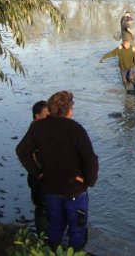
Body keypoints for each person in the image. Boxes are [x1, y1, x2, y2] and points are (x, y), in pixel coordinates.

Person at [16, 91, 99, 252]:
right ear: (68, 110)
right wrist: (89, 181)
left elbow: (22, 151)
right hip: (74, 189)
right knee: (77, 229)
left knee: (54, 226)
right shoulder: (76, 129)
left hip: (50, 188)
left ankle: (52, 252)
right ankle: (74, 253)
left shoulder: (38, 128)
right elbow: (90, 160)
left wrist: (38, 173)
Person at [25, 100, 49, 235]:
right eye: (46, 114)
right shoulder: (35, 132)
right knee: (42, 209)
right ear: (37, 116)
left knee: (44, 208)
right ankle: (43, 239)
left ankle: (45, 237)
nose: (49, 117)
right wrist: (38, 173)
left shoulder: (39, 129)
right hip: (38, 178)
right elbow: (24, 153)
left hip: (40, 177)